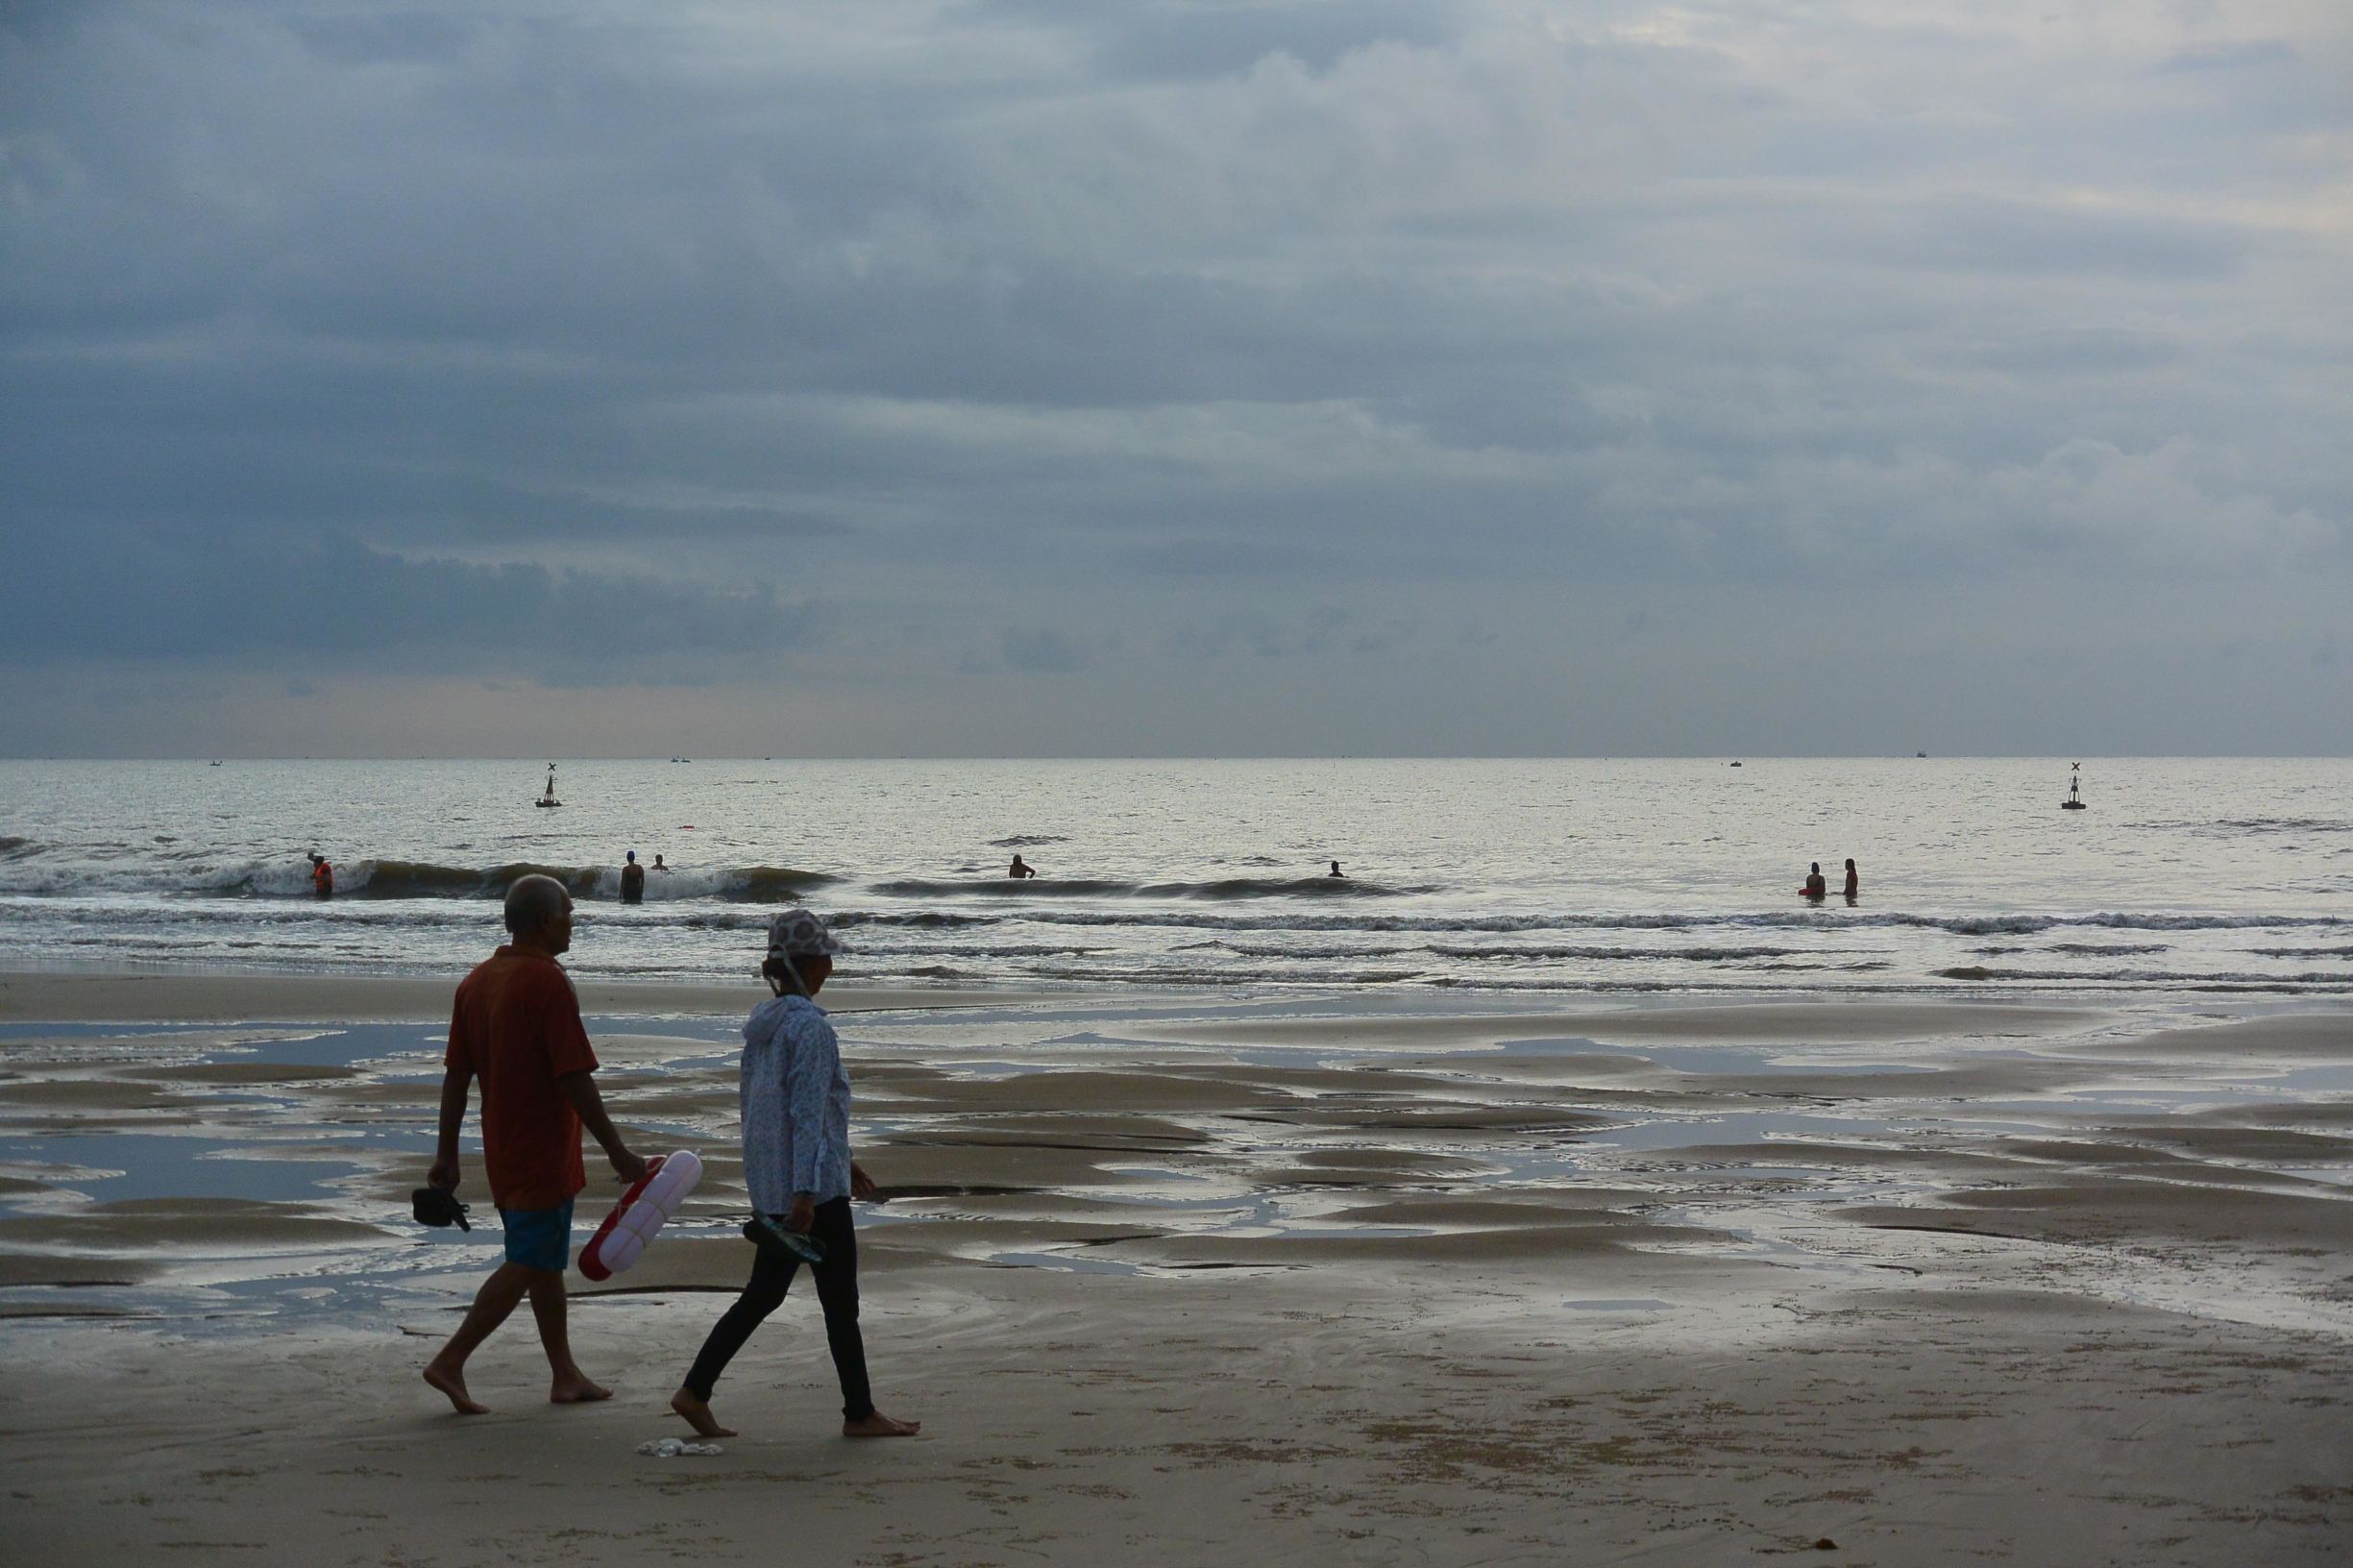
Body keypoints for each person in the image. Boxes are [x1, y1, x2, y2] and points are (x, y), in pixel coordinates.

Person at [670, 909, 919, 1440]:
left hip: (777, 1184)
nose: (831, 965)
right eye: (825, 957)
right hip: (811, 1195)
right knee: (838, 1304)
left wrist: (835, 1161)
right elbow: (806, 1114)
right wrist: (809, 1191)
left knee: (763, 1295)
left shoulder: (764, 1027)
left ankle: (695, 1390)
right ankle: (859, 1413)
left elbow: (770, 1112)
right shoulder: (810, 1029)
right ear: (807, 965)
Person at [421, 874, 647, 1415]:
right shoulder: (546, 982)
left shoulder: (476, 981)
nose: (573, 923)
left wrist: (446, 1153)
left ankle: (564, 1374)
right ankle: (450, 1361)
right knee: (529, 1259)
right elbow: (574, 1076)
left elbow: (456, 1076)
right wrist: (616, 1150)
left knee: (545, 1262)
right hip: (542, 1147)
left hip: (502, 1142)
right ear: (545, 920)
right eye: (569, 913)